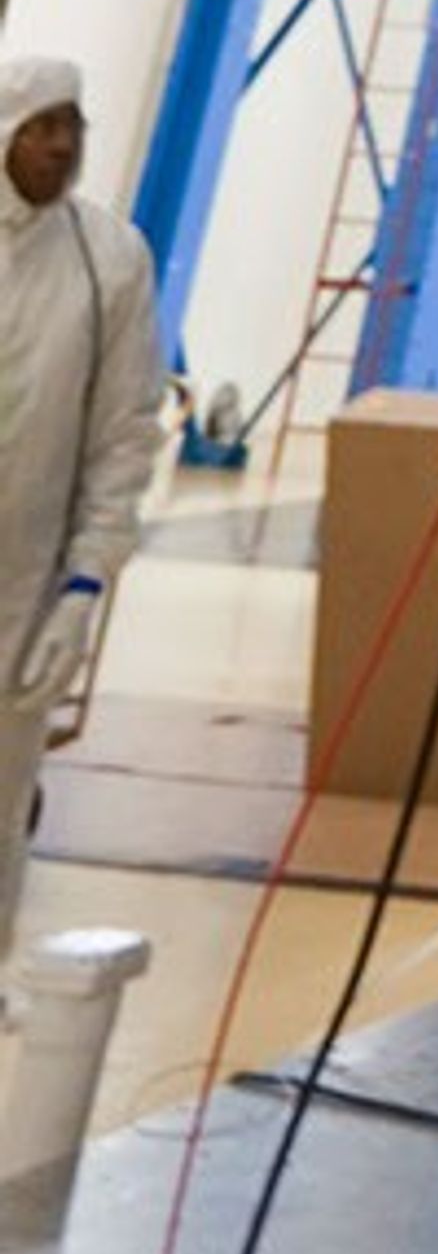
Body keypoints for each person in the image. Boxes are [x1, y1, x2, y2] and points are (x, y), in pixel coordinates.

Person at [0, 53, 166, 950]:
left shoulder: (108, 262)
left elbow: (124, 430)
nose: (62, 146)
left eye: (74, 126)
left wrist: (87, 583)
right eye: (43, 126)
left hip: (24, 590)